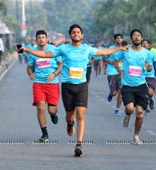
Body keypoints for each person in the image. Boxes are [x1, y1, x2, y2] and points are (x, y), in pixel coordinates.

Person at [20, 24, 128, 157]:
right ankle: (70, 124)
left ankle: (79, 144)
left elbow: (103, 52)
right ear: (70, 35)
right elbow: (44, 54)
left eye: (78, 32)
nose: (76, 34)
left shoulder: (87, 49)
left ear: (81, 35)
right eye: (73, 32)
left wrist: (120, 48)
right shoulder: (63, 49)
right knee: (70, 116)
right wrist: (27, 50)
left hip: (82, 85)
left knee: (81, 114)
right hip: (67, 86)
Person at [115, 29, 152, 145]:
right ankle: (127, 114)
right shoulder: (125, 50)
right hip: (127, 85)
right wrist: (120, 71)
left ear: (141, 38)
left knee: (140, 112)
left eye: (138, 35)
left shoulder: (147, 53)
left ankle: (136, 136)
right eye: (134, 35)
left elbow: (149, 66)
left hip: (141, 85)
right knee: (130, 109)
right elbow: (115, 61)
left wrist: (149, 68)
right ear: (131, 38)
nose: (137, 37)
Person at [27, 30, 62, 143]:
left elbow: (60, 65)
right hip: (38, 83)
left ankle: (53, 114)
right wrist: (30, 73)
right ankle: (44, 134)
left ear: (47, 39)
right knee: (40, 106)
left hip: (52, 84)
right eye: (39, 37)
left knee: (51, 110)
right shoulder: (33, 53)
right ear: (36, 40)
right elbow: (29, 67)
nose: (41, 39)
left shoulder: (54, 50)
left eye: (43, 37)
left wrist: (54, 74)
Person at [102, 34, 124, 115]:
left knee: (121, 91)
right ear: (114, 40)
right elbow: (103, 58)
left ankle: (117, 109)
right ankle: (111, 94)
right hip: (112, 72)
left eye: (120, 38)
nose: (119, 40)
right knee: (114, 93)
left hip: (122, 72)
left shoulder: (124, 49)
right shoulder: (110, 49)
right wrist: (110, 62)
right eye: (117, 38)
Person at [141, 39, 156, 115]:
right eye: (143, 43)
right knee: (143, 93)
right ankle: (146, 108)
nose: (144, 45)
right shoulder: (138, 54)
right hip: (141, 76)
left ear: (149, 46)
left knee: (150, 93)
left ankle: (151, 99)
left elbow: (155, 65)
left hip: (150, 75)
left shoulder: (152, 54)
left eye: (146, 43)